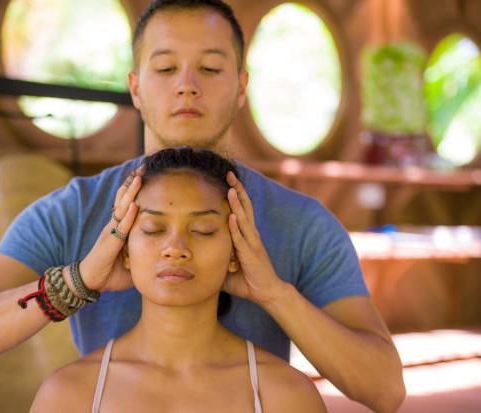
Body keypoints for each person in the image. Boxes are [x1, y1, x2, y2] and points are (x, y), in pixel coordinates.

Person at [0, 1, 405, 411]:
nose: (187, 85)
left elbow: (384, 389)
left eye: (211, 69)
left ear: (241, 87)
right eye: (166, 67)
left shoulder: (300, 223)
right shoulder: (72, 211)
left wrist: (273, 292)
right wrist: (80, 280)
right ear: (135, 86)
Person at [30, 147, 327, 413]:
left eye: (203, 230)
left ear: (236, 253)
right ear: (125, 252)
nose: (175, 248)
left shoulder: (286, 396)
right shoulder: (68, 395)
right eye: (153, 229)